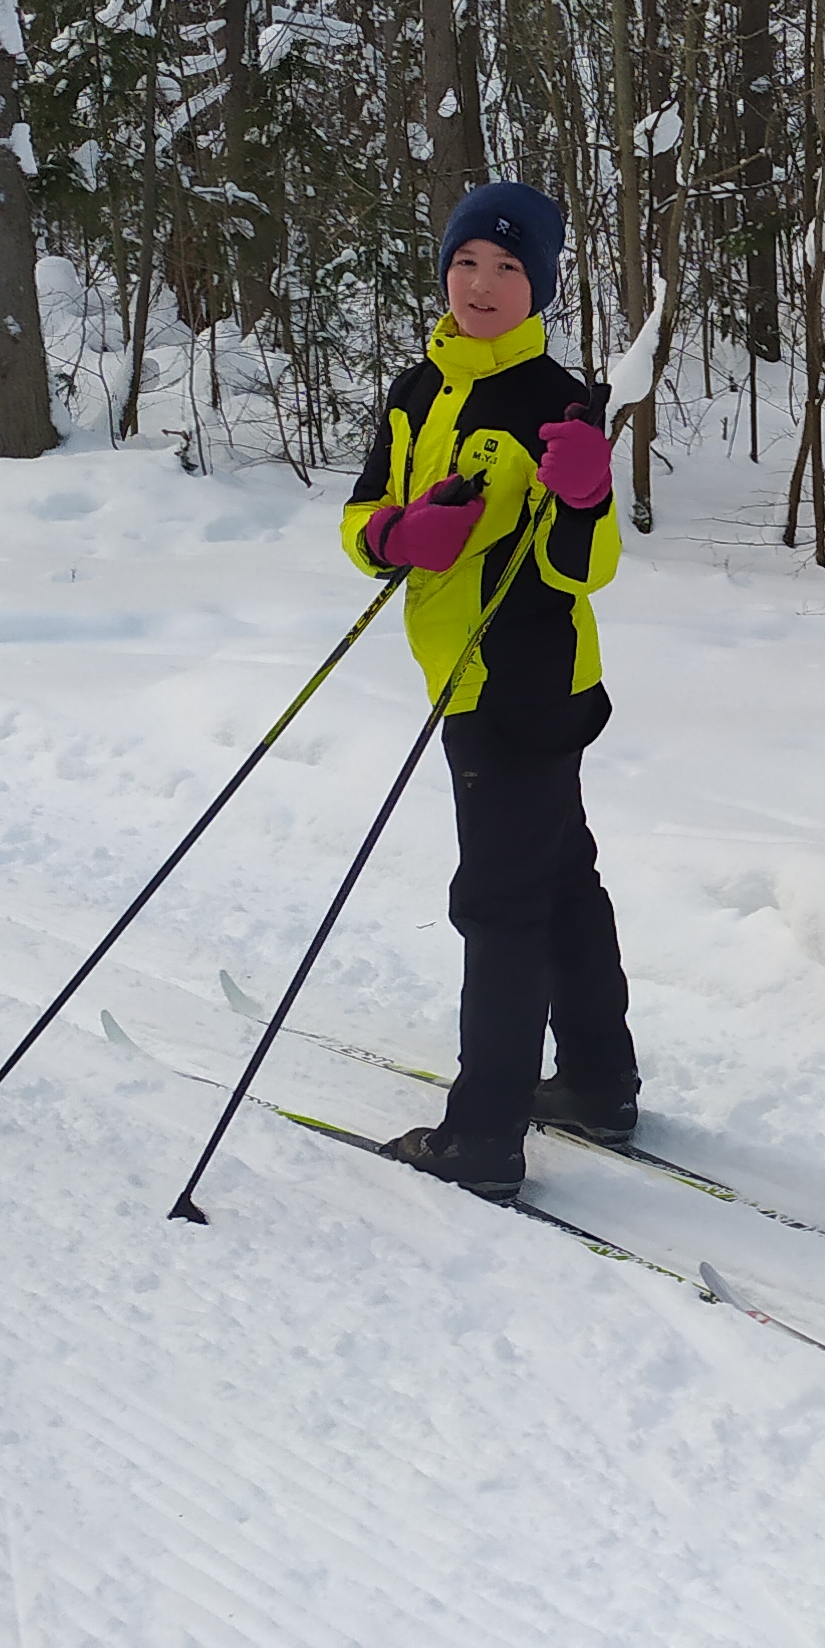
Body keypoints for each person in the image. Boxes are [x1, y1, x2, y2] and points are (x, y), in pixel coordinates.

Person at [341, 180, 634, 1200]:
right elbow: (364, 512)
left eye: (508, 269)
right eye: (468, 261)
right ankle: (599, 1083)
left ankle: (483, 1136)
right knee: (558, 877)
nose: (481, 284)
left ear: (537, 286)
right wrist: (395, 536)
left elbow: (580, 566)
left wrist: (588, 495)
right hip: (454, 664)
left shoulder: (555, 395)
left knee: (499, 900)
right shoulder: (417, 388)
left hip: (523, 678)